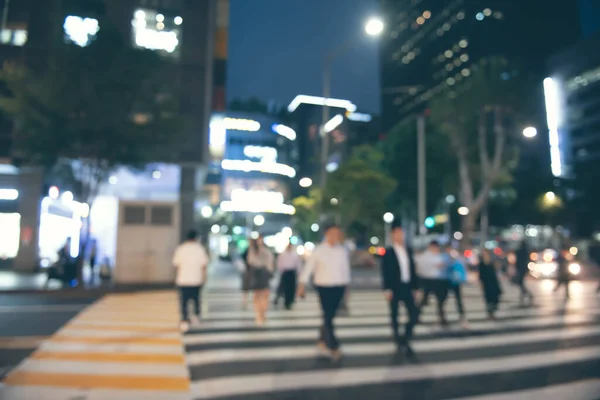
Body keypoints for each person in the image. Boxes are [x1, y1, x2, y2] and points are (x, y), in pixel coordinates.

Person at [298, 224, 350, 361]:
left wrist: (346, 289)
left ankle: (322, 340)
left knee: (329, 317)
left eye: (337, 233)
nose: (335, 236)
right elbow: (308, 268)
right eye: (332, 233)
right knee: (328, 316)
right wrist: (302, 285)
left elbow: (345, 270)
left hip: (339, 287)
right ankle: (334, 346)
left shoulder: (342, 251)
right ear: (326, 234)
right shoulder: (319, 251)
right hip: (323, 287)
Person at [380, 223, 419, 357]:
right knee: (394, 315)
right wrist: (387, 289)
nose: (399, 236)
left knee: (414, 313)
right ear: (392, 236)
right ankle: (398, 340)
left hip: (407, 286)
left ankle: (405, 337)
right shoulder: (388, 252)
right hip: (394, 288)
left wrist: (415, 287)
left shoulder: (408, 250)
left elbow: (413, 270)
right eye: (396, 233)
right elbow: (385, 272)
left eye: (401, 233)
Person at [172, 230, 209, 333]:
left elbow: (176, 265)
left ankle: (184, 321)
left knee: (184, 302)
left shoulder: (181, 249)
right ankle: (196, 317)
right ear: (196, 238)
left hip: (183, 279)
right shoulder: (200, 249)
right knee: (196, 299)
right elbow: (204, 265)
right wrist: (204, 278)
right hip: (196, 279)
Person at [416, 241, 449, 327]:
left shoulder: (440, 256)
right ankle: (416, 316)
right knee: (424, 300)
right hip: (428, 280)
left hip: (438, 280)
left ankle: (441, 317)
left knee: (440, 301)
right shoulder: (425, 256)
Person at [244, 235, 274, 326]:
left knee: (260, 295)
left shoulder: (254, 251)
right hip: (261, 274)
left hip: (258, 274)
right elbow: (270, 263)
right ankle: (261, 313)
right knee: (262, 294)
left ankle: (260, 314)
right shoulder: (264, 251)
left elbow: (250, 261)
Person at [443, 245, 469, 329]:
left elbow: (461, 270)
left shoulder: (457, 260)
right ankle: (442, 317)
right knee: (443, 300)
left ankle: (462, 317)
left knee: (458, 300)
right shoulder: (444, 259)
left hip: (454, 282)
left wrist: (462, 279)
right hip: (446, 281)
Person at [274, 242, 302, 309]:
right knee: (285, 287)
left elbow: (298, 264)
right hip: (285, 272)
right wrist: (281, 270)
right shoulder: (283, 254)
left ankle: (290, 301)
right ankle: (286, 301)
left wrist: (299, 273)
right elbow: (279, 263)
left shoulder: (294, 255)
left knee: (292, 288)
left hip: (292, 272)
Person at [479, 248, 502, 320]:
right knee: (488, 299)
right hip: (486, 283)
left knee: (496, 297)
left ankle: (493, 310)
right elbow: (481, 276)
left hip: (493, 283)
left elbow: (495, 273)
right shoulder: (481, 264)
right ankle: (490, 313)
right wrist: (481, 284)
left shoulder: (492, 262)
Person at [515, 241, 534, 306]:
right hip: (523, 269)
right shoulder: (526, 251)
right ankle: (524, 295)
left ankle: (526, 294)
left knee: (520, 282)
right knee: (521, 283)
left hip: (521, 269)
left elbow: (517, 261)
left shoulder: (519, 252)